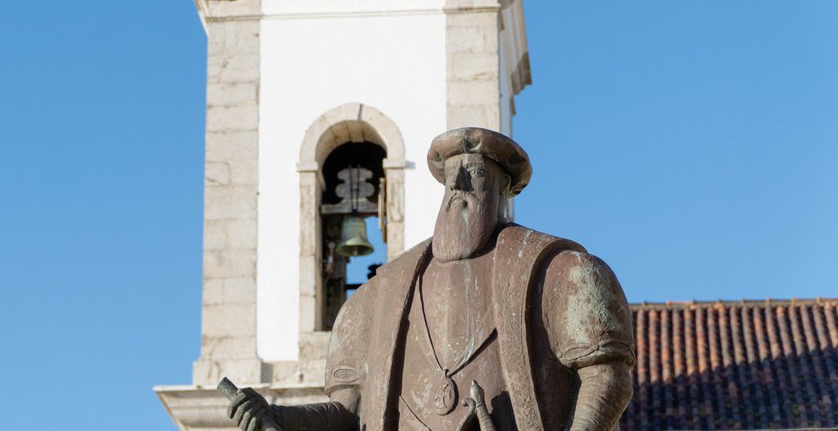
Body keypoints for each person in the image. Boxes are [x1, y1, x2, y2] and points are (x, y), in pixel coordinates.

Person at [228, 127, 635, 431]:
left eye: (474, 172)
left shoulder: (560, 271)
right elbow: (349, 412)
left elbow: (606, 378)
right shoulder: (375, 299)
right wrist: (275, 414)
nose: (458, 185)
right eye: (451, 174)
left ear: (501, 190)